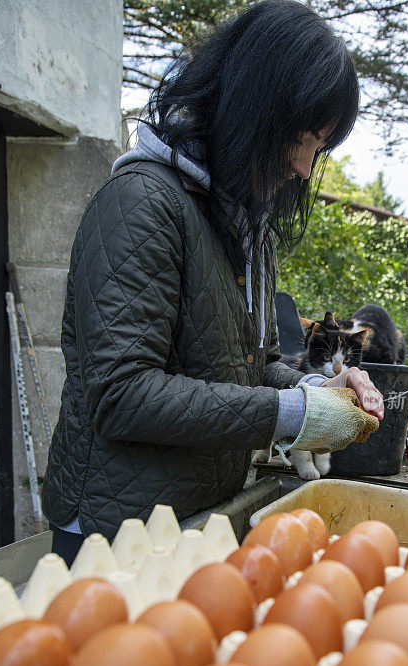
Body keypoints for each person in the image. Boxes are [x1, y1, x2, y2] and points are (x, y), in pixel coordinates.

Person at [42, 0, 384, 560]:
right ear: (257, 110)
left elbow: (253, 366)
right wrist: (291, 414)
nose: (304, 166)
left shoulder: (245, 223)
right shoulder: (141, 205)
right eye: (303, 138)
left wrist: (316, 392)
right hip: (116, 534)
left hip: (200, 517)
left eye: (317, 148)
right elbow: (124, 395)